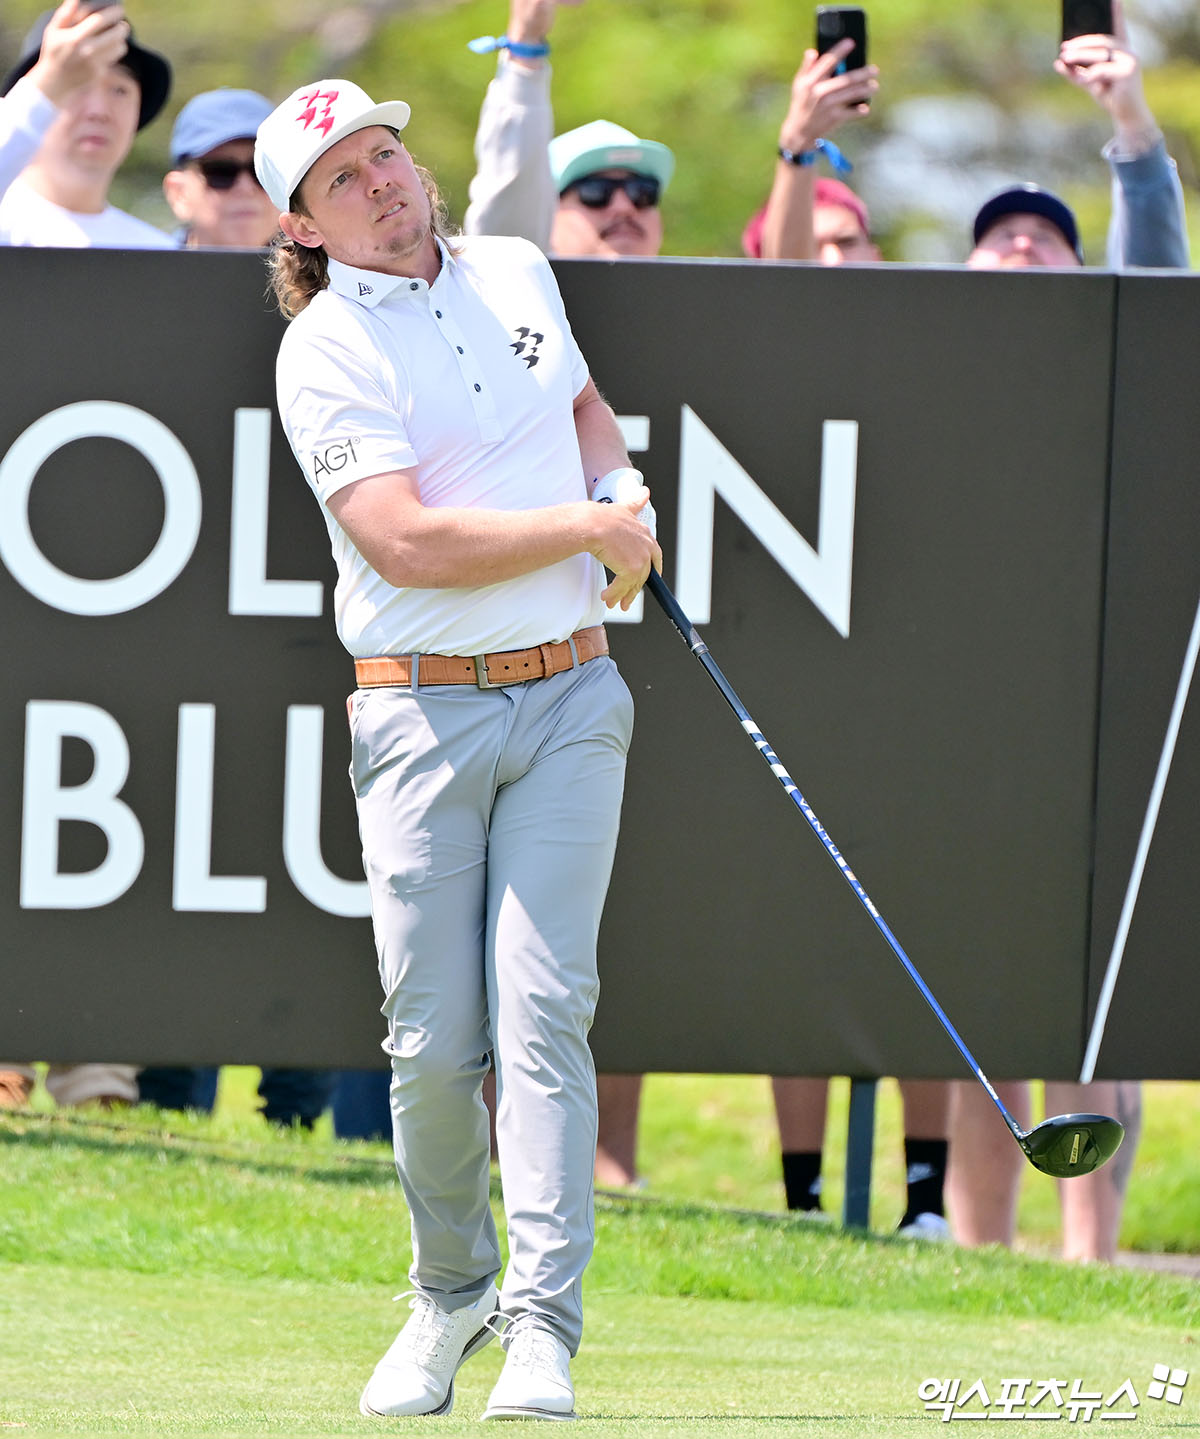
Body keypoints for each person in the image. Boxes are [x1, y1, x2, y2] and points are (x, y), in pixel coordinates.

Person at [255, 76, 659, 1419]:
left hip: (572, 696)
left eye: (385, 151)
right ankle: (450, 1288)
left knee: (546, 1011)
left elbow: (583, 407)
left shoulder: (519, 268)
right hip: (421, 711)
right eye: (343, 178)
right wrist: (587, 530)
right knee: (432, 1041)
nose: (382, 180)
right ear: (306, 228)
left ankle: (543, 1324)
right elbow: (406, 541)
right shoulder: (324, 350)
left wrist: (617, 485)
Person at [946, 2, 1187, 1263]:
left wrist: (1130, 124)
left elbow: (1159, 278)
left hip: (1094, 717)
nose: (1026, 245)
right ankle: (984, 1260)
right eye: (1003, 236)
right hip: (971, 730)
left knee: (1095, 1010)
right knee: (989, 1014)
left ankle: (1088, 1260)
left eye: (1049, 236)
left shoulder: (1111, 361)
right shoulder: (932, 377)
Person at [464, 0, 673, 1189]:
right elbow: (503, 203)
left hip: (585, 661)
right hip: (473, 659)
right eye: (593, 190)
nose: (623, 207)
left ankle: (597, 1173)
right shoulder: (497, 281)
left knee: (581, 949)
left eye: (642, 191)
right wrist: (528, 51)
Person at [0, 1, 170, 1113]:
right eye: (81, 82)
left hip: (120, 589)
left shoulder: (161, 258)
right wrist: (39, 88)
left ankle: (96, 1065)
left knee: (104, 820)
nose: (99, 105)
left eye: (120, 87)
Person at [0, 3, 169, 248]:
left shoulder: (159, 251)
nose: (99, 111)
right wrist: (49, 80)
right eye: (77, 85)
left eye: (119, 90)